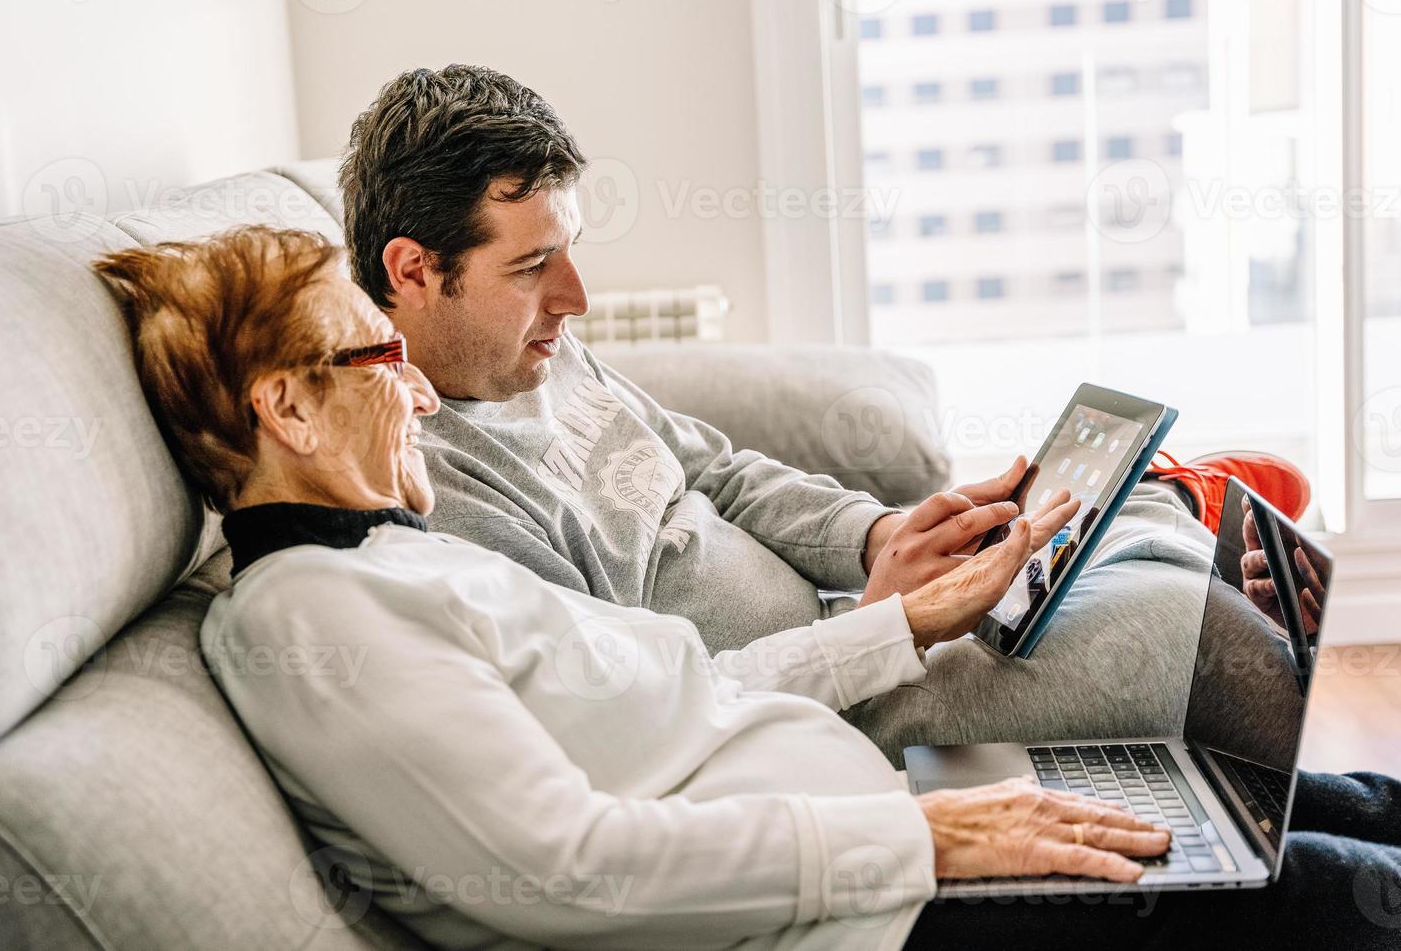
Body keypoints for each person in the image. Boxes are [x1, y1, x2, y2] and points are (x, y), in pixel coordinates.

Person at [94, 224, 1401, 950]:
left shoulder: (382, 560)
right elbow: (564, 871)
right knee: (1329, 896)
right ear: (286, 406)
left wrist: (900, 622)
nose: (423, 389)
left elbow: (685, 694)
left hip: (856, 827)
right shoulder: (310, 623)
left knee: (1325, 801)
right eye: (384, 356)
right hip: (843, 909)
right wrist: (922, 839)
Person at [334, 64, 1313, 756]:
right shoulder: (438, 495)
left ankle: (1173, 515)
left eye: (570, 247)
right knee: (1203, 637)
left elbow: (715, 470)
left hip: (862, 615)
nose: (577, 297)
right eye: (531, 264)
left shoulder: (537, 355)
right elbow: (644, 707)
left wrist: (886, 532)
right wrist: (891, 620)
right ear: (414, 270)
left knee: (1078, 529)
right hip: (825, 701)